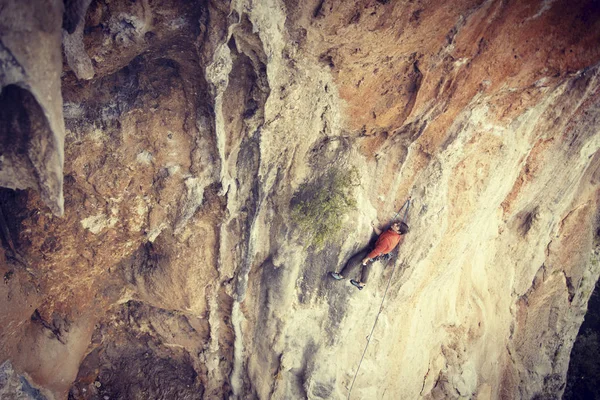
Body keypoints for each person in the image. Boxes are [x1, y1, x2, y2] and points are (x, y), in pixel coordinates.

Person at [330, 221, 409, 290]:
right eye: (397, 223)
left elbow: (377, 250)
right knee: (366, 266)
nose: (395, 224)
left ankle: (342, 276)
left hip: (375, 252)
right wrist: (374, 227)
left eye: (397, 226)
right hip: (376, 251)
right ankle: (361, 283)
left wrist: (367, 258)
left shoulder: (389, 240)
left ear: (398, 232)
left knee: (355, 261)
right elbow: (382, 234)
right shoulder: (395, 234)